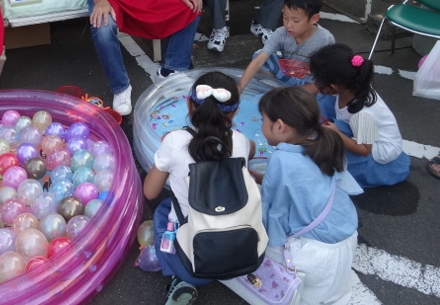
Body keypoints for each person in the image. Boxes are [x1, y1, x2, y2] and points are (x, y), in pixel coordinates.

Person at [143, 71, 255, 304]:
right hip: (238, 256)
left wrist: (165, 151)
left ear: (188, 104)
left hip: (191, 268)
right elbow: (248, 149)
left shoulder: (174, 142)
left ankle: (179, 279)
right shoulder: (241, 142)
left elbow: (149, 192)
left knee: (163, 208)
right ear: (235, 112)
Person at [255, 87, 358, 303]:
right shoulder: (322, 139)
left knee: (258, 245)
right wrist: (261, 178)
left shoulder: (281, 158)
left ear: (280, 126)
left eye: (263, 120)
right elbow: (303, 183)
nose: (261, 125)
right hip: (345, 240)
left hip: (315, 256)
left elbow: (273, 213)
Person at [310, 44, 410, 188]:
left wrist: (337, 133)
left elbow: (364, 150)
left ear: (333, 86)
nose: (314, 83)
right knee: (324, 102)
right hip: (363, 132)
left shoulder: (363, 114)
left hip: (377, 149)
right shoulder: (351, 86)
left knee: (333, 143)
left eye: (317, 80)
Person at [238, 0, 334, 94]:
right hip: (288, 74)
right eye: (285, 17)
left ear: (314, 19)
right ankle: (281, 89)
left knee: (324, 82)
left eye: (296, 21)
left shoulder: (325, 40)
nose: (288, 25)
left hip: (308, 81)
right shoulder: (281, 33)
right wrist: (239, 87)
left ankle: (289, 93)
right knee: (258, 55)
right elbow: (259, 60)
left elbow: (327, 76)